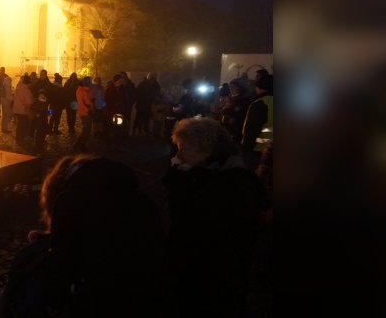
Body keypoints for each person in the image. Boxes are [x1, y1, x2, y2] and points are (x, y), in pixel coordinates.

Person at [35, 156, 166, 316]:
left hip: (96, 298)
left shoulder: (68, 201)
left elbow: (62, 260)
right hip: (147, 297)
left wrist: (55, 303)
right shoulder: (144, 201)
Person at [165, 117, 265, 316]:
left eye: (184, 148)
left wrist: (180, 179)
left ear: (207, 149)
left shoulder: (235, 182)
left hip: (216, 271)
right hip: (196, 264)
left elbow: (194, 219)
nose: (179, 155)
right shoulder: (200, 171)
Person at [241, 72, 273, 170]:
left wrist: (245, 148)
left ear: (259, 87)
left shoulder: (260, 103)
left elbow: (250, 130)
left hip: (258, 151)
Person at [73, 77, 94, 152]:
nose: (91, 83)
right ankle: (80, 144)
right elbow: (81, 103)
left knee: (87, 129)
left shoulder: (86, 89)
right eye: (90, 82)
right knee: (86, 130)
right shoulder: (81, 90)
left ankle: (80, 144)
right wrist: (88, 110)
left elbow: (88, 100)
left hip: (88, 111)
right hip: (85, 112)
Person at [13, 75, 32, 148]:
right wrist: (30, 103)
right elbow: (27, 100)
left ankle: (19, 138)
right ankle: (20, 139)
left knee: (20, 125)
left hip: (18, 109)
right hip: (23, 109)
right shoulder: (24, 88)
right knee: (23, 125)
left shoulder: (19, 86)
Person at [30, 89, 49, 154]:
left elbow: (48, 109)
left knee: (44, 129)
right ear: (39, 94)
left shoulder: (46, 101)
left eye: (43, 94)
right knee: (39, 130)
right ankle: (38, 143)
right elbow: (33, 108)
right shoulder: (37, 101)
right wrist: (37, 113)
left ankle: (42, 140)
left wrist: (50, 113)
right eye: (41, 94)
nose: (42, 95)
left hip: (45, 118)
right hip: (39, 119)